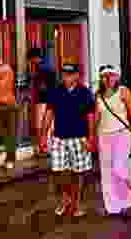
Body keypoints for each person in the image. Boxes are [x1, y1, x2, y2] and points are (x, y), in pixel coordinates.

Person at [40, 63, 96, 218]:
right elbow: (49, 113)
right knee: (58, 170)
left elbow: (91, 116)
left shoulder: (85, 93)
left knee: (79, 172)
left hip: (80, 138)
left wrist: (91, 138)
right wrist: (43, 136)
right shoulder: (56, 92)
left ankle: (77, 202)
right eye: (64, 74)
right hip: (59, 138)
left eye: (70, 74)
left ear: (77, 76)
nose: (67, 77)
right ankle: (65, 198)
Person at [94, 65, 131, 218]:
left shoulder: (123, 91)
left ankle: (128, 202)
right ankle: (112, 206)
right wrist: (92, 137)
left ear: (117, 77)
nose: (108, 79)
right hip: (104, 136)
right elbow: (96, 118)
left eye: (111, 75)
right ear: (101, 79)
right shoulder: (98, 95)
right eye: (104, 76)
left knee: (119, 168)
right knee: (107, 172)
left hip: (123, 134)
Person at [28, 47, 57, 157]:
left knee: (41, 124)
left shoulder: (41, 69)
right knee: (49, 124)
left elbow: (42, 87)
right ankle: (48, 147)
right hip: (51, 100)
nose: (31, 62)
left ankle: (44, 148)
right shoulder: (49, 66)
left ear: (34, 58)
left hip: (43, 100)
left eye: (31, 60)